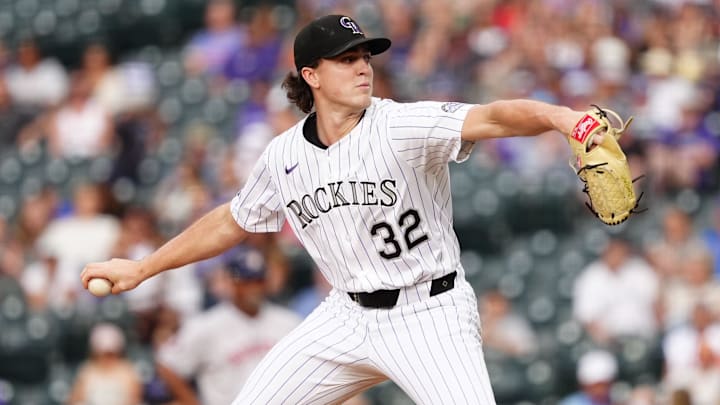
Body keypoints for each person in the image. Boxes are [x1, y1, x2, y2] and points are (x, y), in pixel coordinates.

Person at [82, 14, 605, 404]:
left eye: (365, 57)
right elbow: (232, 220)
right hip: (346, 316)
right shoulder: (284, 154)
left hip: (430, 312)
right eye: (347, 59)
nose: (363, 68)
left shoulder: (399, 125)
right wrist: (145, 267)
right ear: (310, 74)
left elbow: (493, 117)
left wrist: (564, 118)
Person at [154, 246, 301, 405]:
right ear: (231, 282)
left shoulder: (289, 323)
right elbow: (167, 365)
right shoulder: (206, 325)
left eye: (258, 281)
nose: (253, 288)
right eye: (246, 282)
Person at [67, 323, 143, 405]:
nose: (107, 358)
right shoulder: (87, 370)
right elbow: (74, 399)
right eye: (103, 353)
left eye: (111, 353)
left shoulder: (128, 371)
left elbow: (134, 399)